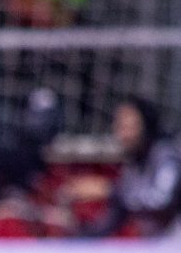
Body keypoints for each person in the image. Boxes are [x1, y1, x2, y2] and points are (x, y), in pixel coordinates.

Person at [72, 97, 181, 237]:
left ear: (146, 126)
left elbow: (161, 201)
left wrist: (109, 190)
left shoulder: (167, 156)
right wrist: (84, 235)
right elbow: (118, 214)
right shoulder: (134, 161)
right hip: (155, 244)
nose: (124, 134)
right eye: (120, 126)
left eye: (130, 127)